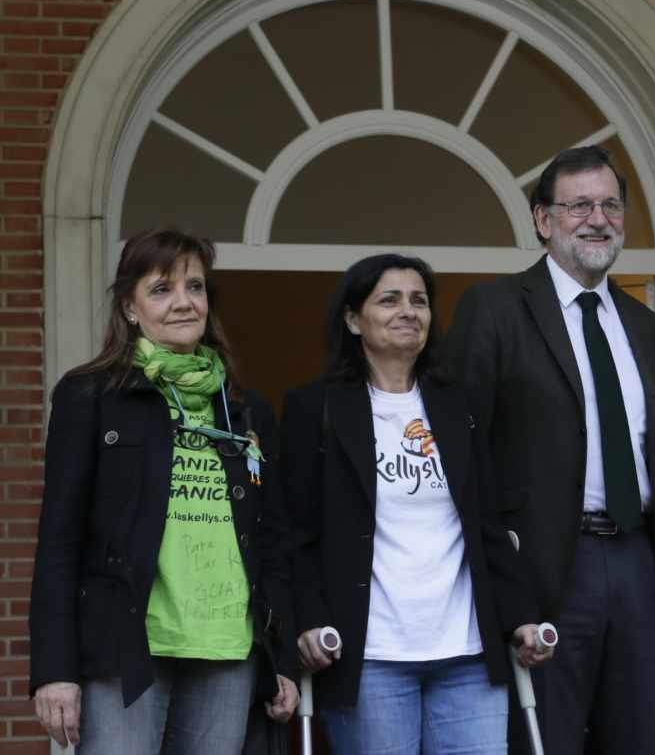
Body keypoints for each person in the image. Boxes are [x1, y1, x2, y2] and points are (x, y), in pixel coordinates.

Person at [446, 145, 655, 755]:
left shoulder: (649, 329)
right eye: (579, 205)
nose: (598, 218)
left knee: (646, 741)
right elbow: (463, 455)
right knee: (546, 741)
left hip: (638, 563)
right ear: (542, 219)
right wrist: (507, 594)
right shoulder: (495, 310)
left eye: (610, 204)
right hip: (546, 567)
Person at [29, 228, 298, 753]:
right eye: (161, 289)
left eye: (195, 288)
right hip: (124, 647)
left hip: (228, 648)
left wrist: (281, 657)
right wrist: (53, 669)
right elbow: (59, 540)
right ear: (130, 307)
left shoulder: (244, 409)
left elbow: (273, 541)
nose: (183, 303)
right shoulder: (91, 395)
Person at [281, 254, 549, 754]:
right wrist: (309, 621)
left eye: (419, 300)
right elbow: (297, 532)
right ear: (352, 319)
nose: (409, 311)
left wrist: (520, 617)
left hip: (468, 652)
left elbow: (487, 520)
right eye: (390, 299)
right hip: (372, 656)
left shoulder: (458, 404)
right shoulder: (313, 408)